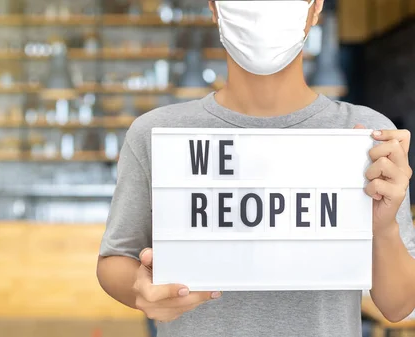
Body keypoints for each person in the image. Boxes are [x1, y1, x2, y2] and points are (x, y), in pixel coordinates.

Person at [96, 1, 415, 336]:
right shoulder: (155, 134)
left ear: (315, 6)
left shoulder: (366, 134)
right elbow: (114, 260)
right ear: (214, 7)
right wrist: (139, 287)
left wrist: (385, 228)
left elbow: (398, 306)